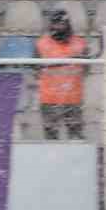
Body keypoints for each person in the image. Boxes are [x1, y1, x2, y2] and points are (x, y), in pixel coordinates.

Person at [35, 10, 88, 140]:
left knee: (76, 138)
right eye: (56, 23)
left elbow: (86, 69)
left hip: (73, 99)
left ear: (68, 24)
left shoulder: (80, 44)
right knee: (51, 138)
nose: (58, 27)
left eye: (61, 23)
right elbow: (35, 69)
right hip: (49, 99)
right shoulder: (41, 44)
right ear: (51, 24)